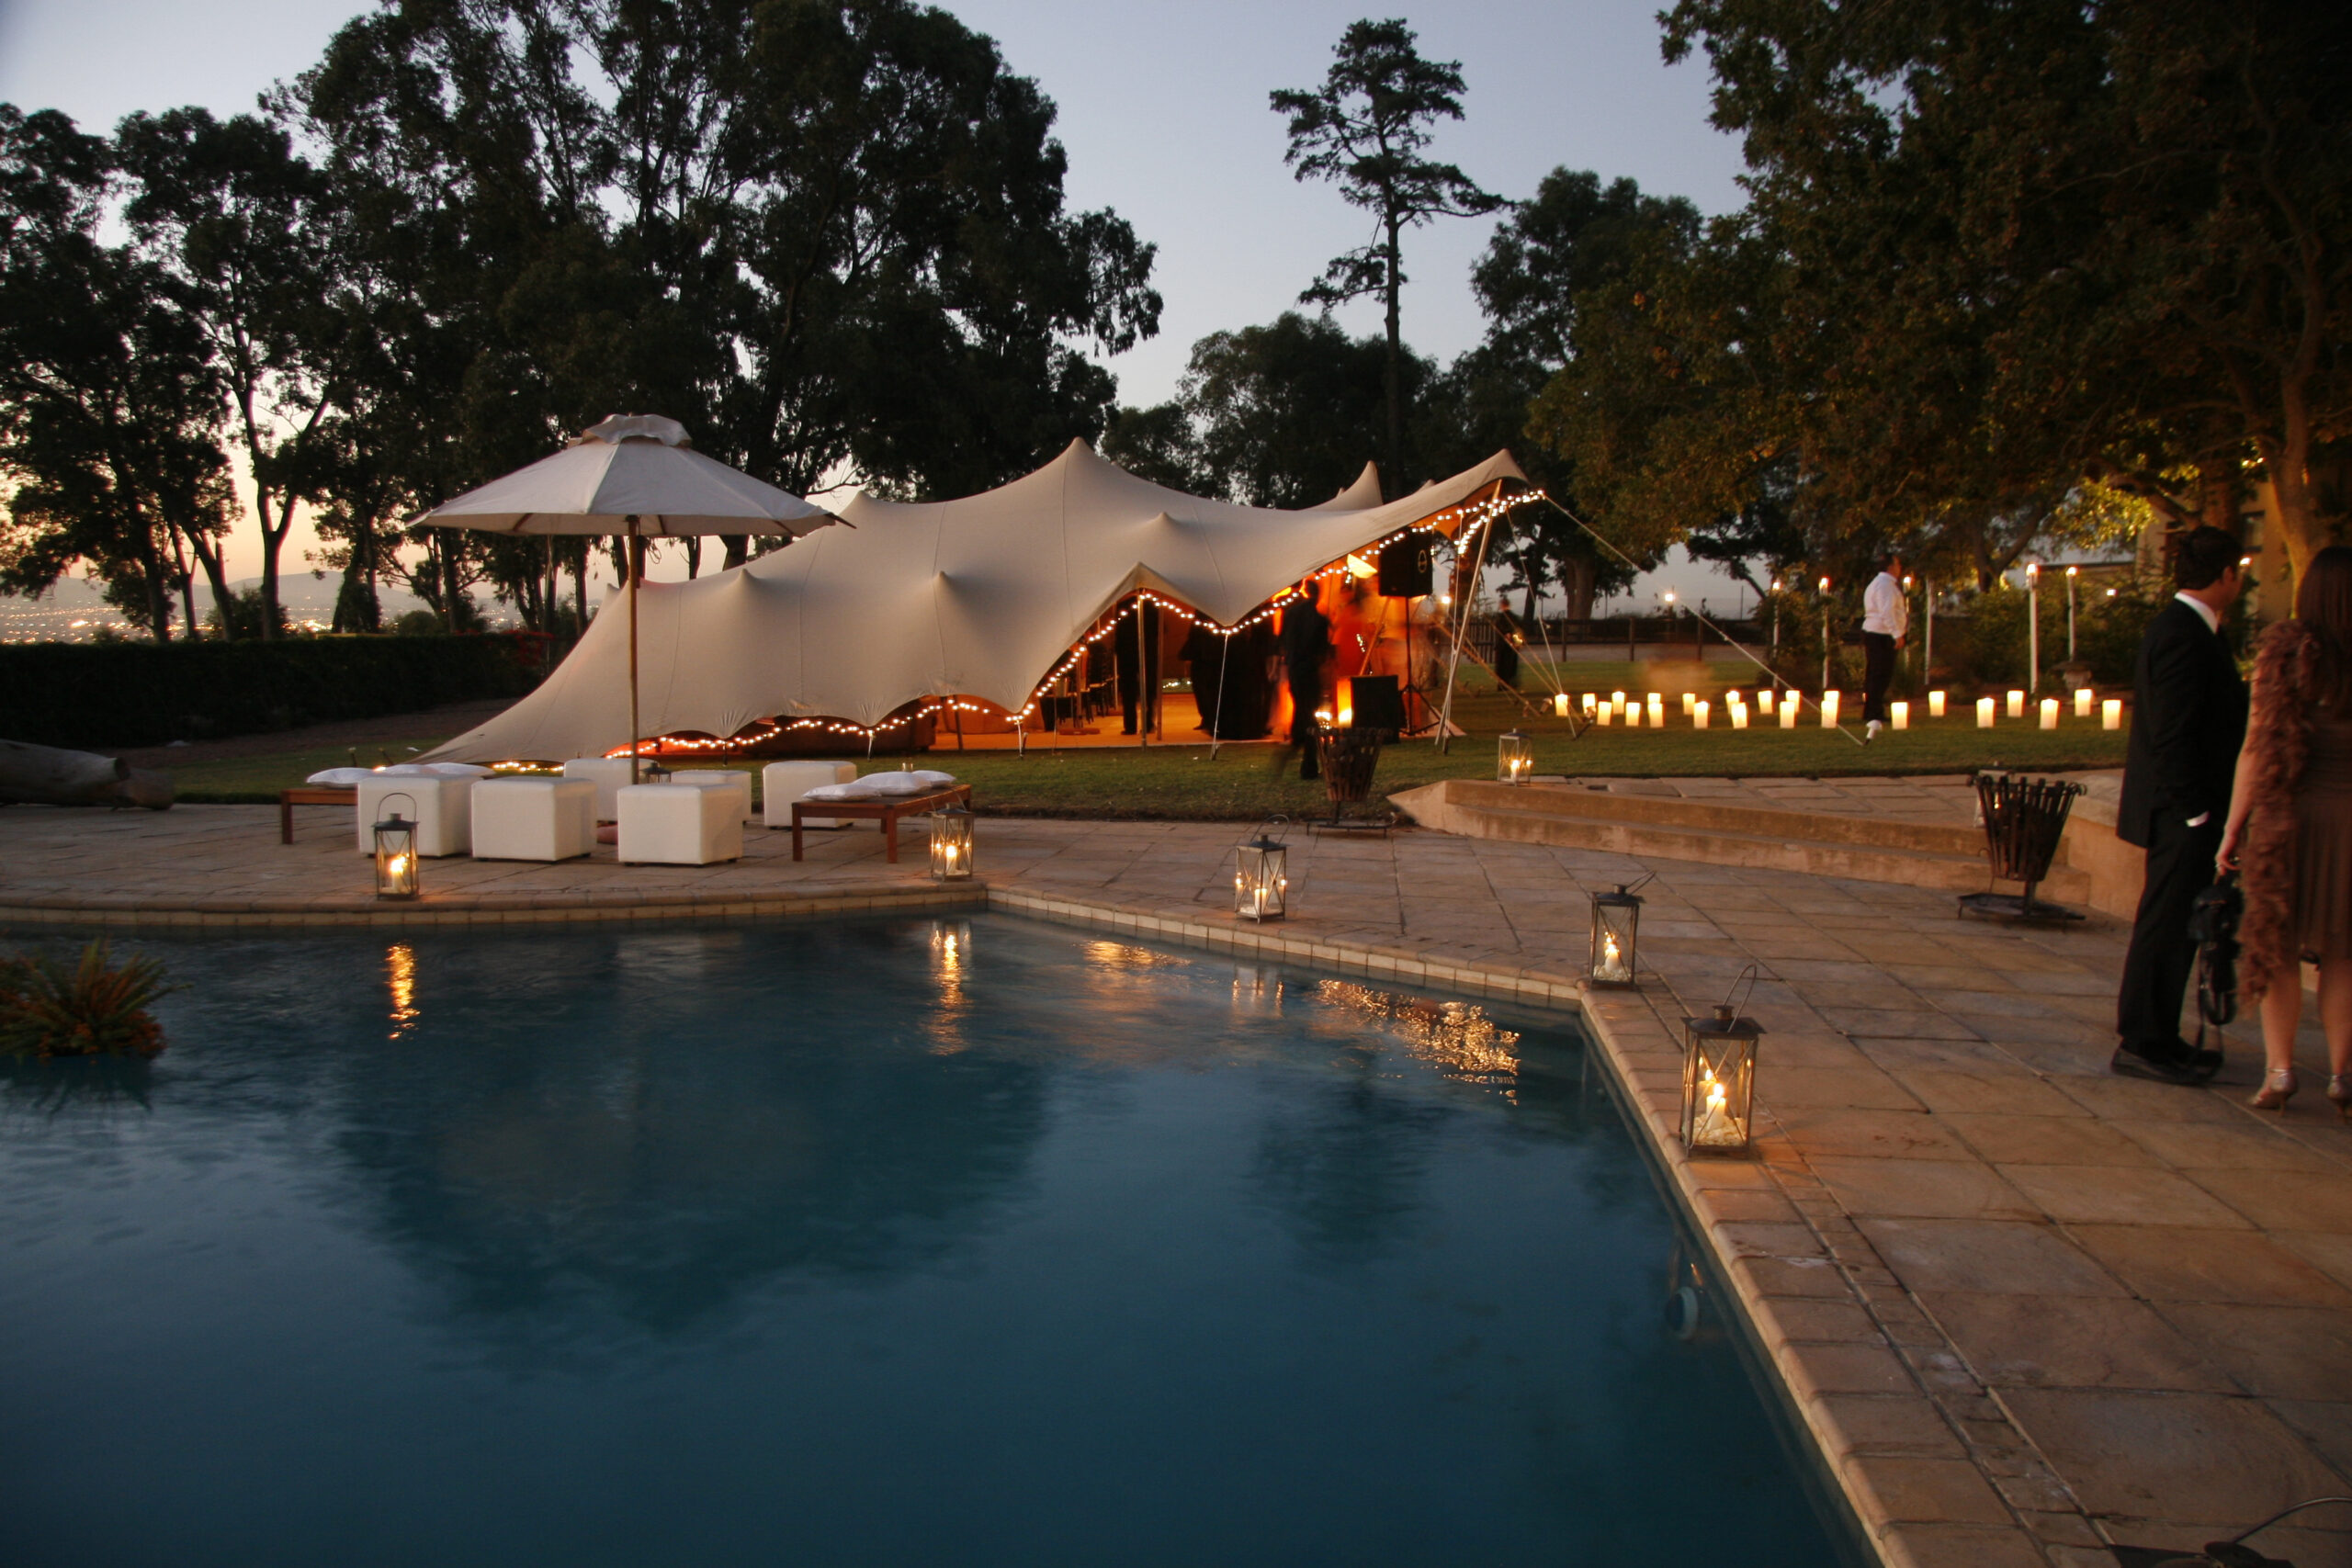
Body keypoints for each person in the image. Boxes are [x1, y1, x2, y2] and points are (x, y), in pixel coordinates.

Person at [2217, 545, 2352, 1114]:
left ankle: (2280, 1072)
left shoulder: (2286, 656)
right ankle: (2343, 1074)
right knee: (2345, 955)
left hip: (2290, 823)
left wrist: (2232, 829)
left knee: (2276, 947)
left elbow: (2257, 748)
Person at [2114, 526, 2248, 1084]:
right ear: (2224, 576)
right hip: (2180, 810)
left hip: (2190, 808)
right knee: (2164, 922)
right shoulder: (2181, 634)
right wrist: (2196, 813)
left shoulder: (2199, 631)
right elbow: (2171, 734)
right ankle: (2144, 1040)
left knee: (2177, 924)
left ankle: (2161, 1035)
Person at [1280, 580, 1331, 780]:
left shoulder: (1291, 614)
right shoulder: (1319, 620)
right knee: (1309, 714)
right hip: (1309, 670)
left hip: (1295, 669)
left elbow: (1284, 640)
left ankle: (1299, 741)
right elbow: (1321, 651)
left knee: (1302, 709)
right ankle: (1306, 758)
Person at [1860, 553, 1907, 739]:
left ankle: (1873, 710)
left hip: (1878, 633)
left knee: (1877, 673)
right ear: (1890, 567)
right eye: (1897, 564)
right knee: (1880, 673)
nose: (1900, 568)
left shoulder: (1883, 584)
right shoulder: (1884, 585)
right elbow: (1886, 611)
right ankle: (1873, 712)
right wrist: (1897, 634)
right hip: (1880, 634)